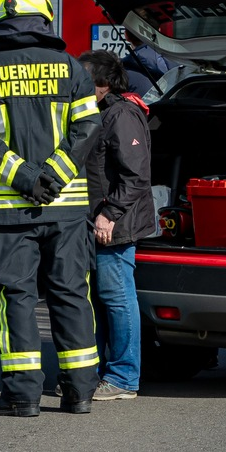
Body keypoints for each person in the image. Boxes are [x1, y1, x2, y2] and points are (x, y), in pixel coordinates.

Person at [0, 0, 101, 416]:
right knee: (71, 293)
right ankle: (80, 393)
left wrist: (24, 177)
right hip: (66, 208)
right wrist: (53, 175)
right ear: (43, 15)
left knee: (14, 297)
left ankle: (23, 397)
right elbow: (88, 130)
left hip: (5, 210)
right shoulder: (72, 68)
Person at [80, 50, 156, 402]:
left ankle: (123, 377)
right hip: (99, 220)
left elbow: (136, 175)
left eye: (84, 79)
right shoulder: (101, 112)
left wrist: (109, 214)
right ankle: (99, 373)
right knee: (100, 299)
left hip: (115, 223)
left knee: (117, 299)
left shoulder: (121, 114)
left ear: (104, 83)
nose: (77, 85)